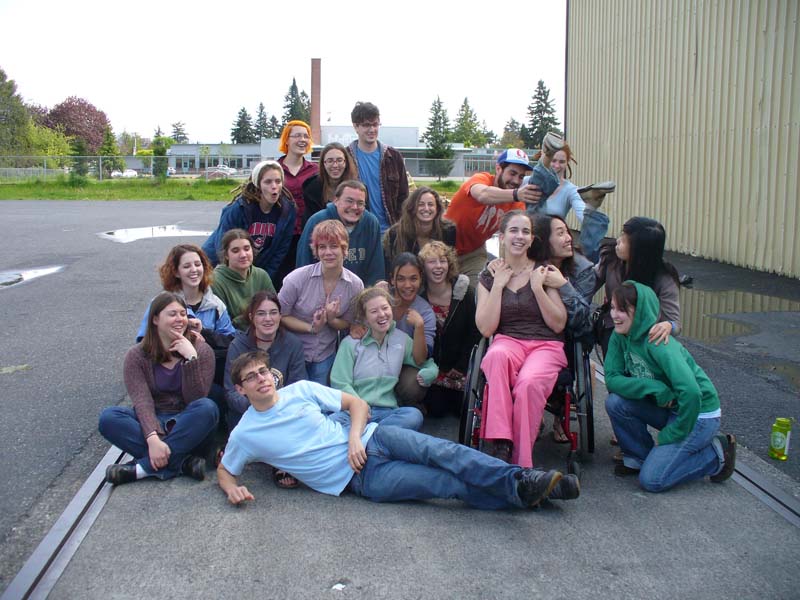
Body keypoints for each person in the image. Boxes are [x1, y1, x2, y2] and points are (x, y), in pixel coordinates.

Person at [217, 350, 580, 509]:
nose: (261, 379)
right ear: (240, 389)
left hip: (374, 437)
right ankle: (528, 494)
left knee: (445, 452)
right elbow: (225, 470)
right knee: (445, 485)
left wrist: (354, 438)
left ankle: (524, 481)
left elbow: (357, 405)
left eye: (264, 372)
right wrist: (232, 488)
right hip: (361, 480)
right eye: (251, 377)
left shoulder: (299, 390)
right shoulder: (246, 434)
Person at [604, 281, 736, 491]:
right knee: (616, 402)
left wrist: (672, 434)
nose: (614, 315)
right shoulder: (619, 336)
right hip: (670, 406)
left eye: (622, 309)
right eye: (612, 308)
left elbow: (692, 393)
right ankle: (640, 458)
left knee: (652, 481)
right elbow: (612, 378)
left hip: (698, 414)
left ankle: (716, 454)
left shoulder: (658, 342)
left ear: (640, 311)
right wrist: (654, 388)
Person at [475, 211, 568, 467]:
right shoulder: (489, 276)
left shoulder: (544, 271)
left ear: (531, 239)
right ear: (502, 237)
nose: (519, 236)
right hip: (508, 340)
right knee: (494, 356)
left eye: (525, 231)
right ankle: (501, 441)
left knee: (528, 383)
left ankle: (520, 462)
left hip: (545, 345)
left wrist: (538, 289)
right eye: (514, 231)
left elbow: (558, 323)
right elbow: (486, 328)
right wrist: (498, 285)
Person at [99, 292, 219, 485]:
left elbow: (196, 399)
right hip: (154, 418)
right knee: (109, 417)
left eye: (183, 314)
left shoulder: (202, 350)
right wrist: (152, 438)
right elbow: (142, 401)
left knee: (207, 407)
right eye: (172, 314)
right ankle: (182, 462)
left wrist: (191, 359)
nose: (179, 319)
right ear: (155, 319)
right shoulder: (136, 356)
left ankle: (141, 469)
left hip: (187, 424)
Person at [330, 287, 437, 431]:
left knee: (414, 416)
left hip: (387, 412)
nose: (382, 314)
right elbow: (340, 382)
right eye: (374, 311)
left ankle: (368, 434)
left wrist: (431, 372)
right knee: (332, 421)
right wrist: (360, 407)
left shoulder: (401, 339)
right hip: (354, 410)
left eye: (385, 308)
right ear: (364, 317)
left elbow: (425, 362)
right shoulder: (350, 343)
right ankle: (381, 435)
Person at [279, 220, 364, 385]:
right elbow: (281, 315)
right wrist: (311, 328)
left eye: (334, 246)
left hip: (325, 353)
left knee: (320, 397)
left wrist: (331, 319)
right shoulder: (297, 278)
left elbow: (348, 322)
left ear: (344, 249)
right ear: (316, 251)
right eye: (322, 247)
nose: (328, 252)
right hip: (294, 353)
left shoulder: (355, 285)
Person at [443, 149, 542, 287]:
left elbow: (512, 235)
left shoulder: (516, 204)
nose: (516, 181)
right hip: (443, 246)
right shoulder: (482, 179)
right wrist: (516, 194)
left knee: (478, 290)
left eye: (521, 176)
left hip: (473, 252)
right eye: (512, 173)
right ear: (498, 169)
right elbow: (482, 194)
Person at [594, 216, 681, 358]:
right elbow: (586, 286)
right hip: (614, 328)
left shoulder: (664, 277)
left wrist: (668, 326)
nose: (618, 241)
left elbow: (675, 322)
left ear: (640, 250)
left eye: (625, 240)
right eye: (621, 234)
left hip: (646, 338)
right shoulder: (610, 259)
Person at [224, 290, 307, 430]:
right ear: (251, 317)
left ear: (280, 316)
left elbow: (297, 386)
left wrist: (275, 408)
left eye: (273, 313)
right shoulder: (238, 346)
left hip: (283, 413)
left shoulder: (293, 344)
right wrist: (259, 407)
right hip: (248, 414)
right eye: (261, 314)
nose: (268, 319)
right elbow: (231, 392)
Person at [202, 160, 296, 282]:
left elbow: (280, 251)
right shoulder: (239, 209)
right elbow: (222, 246)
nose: (274, 186)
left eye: (278, 181)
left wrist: (263, 279)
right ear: (258, 184)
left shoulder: (287, 211)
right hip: (217, 264)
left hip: (253, 265)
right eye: (268, 182)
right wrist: (236, 280)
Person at [418, 241, 481, 417]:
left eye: (443, 261)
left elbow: (475, 332)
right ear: (423, 267)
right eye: (432, 261)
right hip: (434, 367)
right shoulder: (420, 297)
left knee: (462, 409)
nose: (438, 266)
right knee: (436, 409)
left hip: (461, 366)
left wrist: (461, 366)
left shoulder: (466, 293)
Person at [524, 143, 609, 262]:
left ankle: (592, 207)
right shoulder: (527, 182)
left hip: (553, 242)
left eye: (562, 162)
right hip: (529, 237)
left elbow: (581, 214)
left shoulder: (570, 190)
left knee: (591, 225)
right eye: (553, 160)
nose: (557, 166)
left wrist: (590, 214)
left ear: (567, 163)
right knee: (536, 200)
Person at [135, 244, 235, 342]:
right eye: (186, 266)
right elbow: (144, 341)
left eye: (197, 264)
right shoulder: (159, 303)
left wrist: (203, 333)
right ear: (176, 272)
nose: (194, 270)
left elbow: (230, 341)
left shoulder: (216, 305)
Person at [296, 180, 385, 286]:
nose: (355, 207)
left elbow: (376, 268)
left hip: (360, 291)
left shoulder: (371, 223)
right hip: (321, 290)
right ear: (336, 201)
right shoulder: (317, 221)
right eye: (349, 201)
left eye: (360, 203)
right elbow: (304, 263)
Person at [346, 101, 408, 233]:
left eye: (375, 124)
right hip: (356, 231)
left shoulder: (393, 157)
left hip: (390, 231)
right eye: (366, 125)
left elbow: (404, 197)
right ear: (356, 126)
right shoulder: (345, 157)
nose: (372, 130)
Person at [275, 120, 320, 288]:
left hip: (309, 234)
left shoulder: (315, 171)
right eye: (297, 136)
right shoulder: (275, 168)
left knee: (307, 282)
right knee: (282, 281)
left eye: (306, 136)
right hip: (282, 235)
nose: (302, 140)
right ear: (287, 140)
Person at [382, 186, 456, 276]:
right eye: (421, 204)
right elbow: (389, 268)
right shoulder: (395, 234)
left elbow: (452, 266)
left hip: (439, 280)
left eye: (430, 204)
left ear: (437, 208)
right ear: (412, 207)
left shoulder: (448, 231)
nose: (426, 208)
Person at [211, 229, 275, 330]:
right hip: (234, 335)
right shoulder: (216, 281)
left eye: (246, 249)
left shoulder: (261, 275)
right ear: (226, 255)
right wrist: (255, 314)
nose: (243, 255)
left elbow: (273, 310)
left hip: (264, 330)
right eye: (235, 251)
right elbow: (223, 322)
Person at [301, 142, 359, 227]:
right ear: (324, 163)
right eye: (330, 161)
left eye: (339, 160)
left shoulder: (357, 189)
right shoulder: (312, 189)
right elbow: (309, 222)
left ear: (345, 162)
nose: (335, 165)